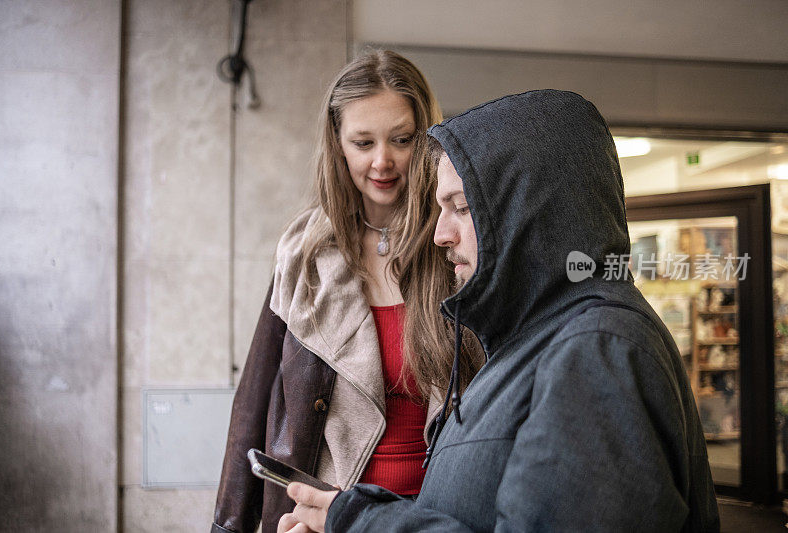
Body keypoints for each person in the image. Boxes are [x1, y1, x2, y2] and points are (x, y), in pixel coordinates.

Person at [278, 90, 720, 532]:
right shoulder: (533, 340)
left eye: (461, 208)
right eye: (438, 209)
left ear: (528, 213)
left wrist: (363, 522)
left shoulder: (597, 350)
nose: (440, 235)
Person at [211, 51, 483, 533]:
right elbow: (252, 406)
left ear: (427, 141)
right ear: (337, 145)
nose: (383, 161)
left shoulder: (456, 244)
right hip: (324, 517)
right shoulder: (303, 252)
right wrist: (229, 526)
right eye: (363, 142)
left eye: (402, 139)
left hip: (440, 518)